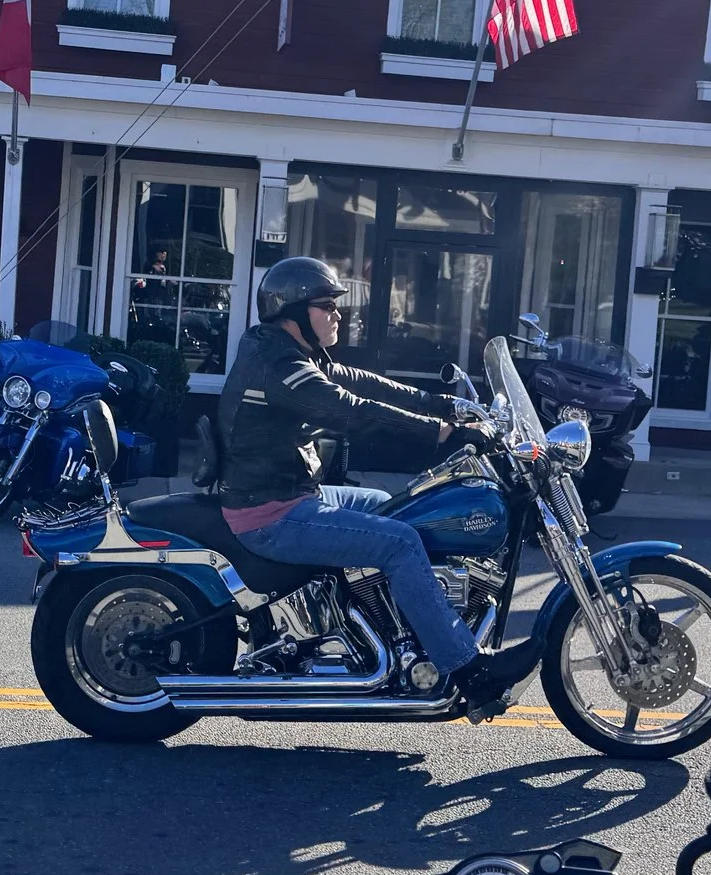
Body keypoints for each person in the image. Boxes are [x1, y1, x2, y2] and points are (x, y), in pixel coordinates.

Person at [214, 256, 546, 717]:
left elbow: (364, 383)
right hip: (270, 514)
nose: (338, 314)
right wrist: (442, 433)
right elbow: (350, 409)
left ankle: (394, 630)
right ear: (291, 312)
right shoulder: (280, 366)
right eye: (327, 306)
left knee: (393, 506)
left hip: (290, 494)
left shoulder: (288, 352)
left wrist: (442, 404)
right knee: (401, 542)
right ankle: (471, 671)